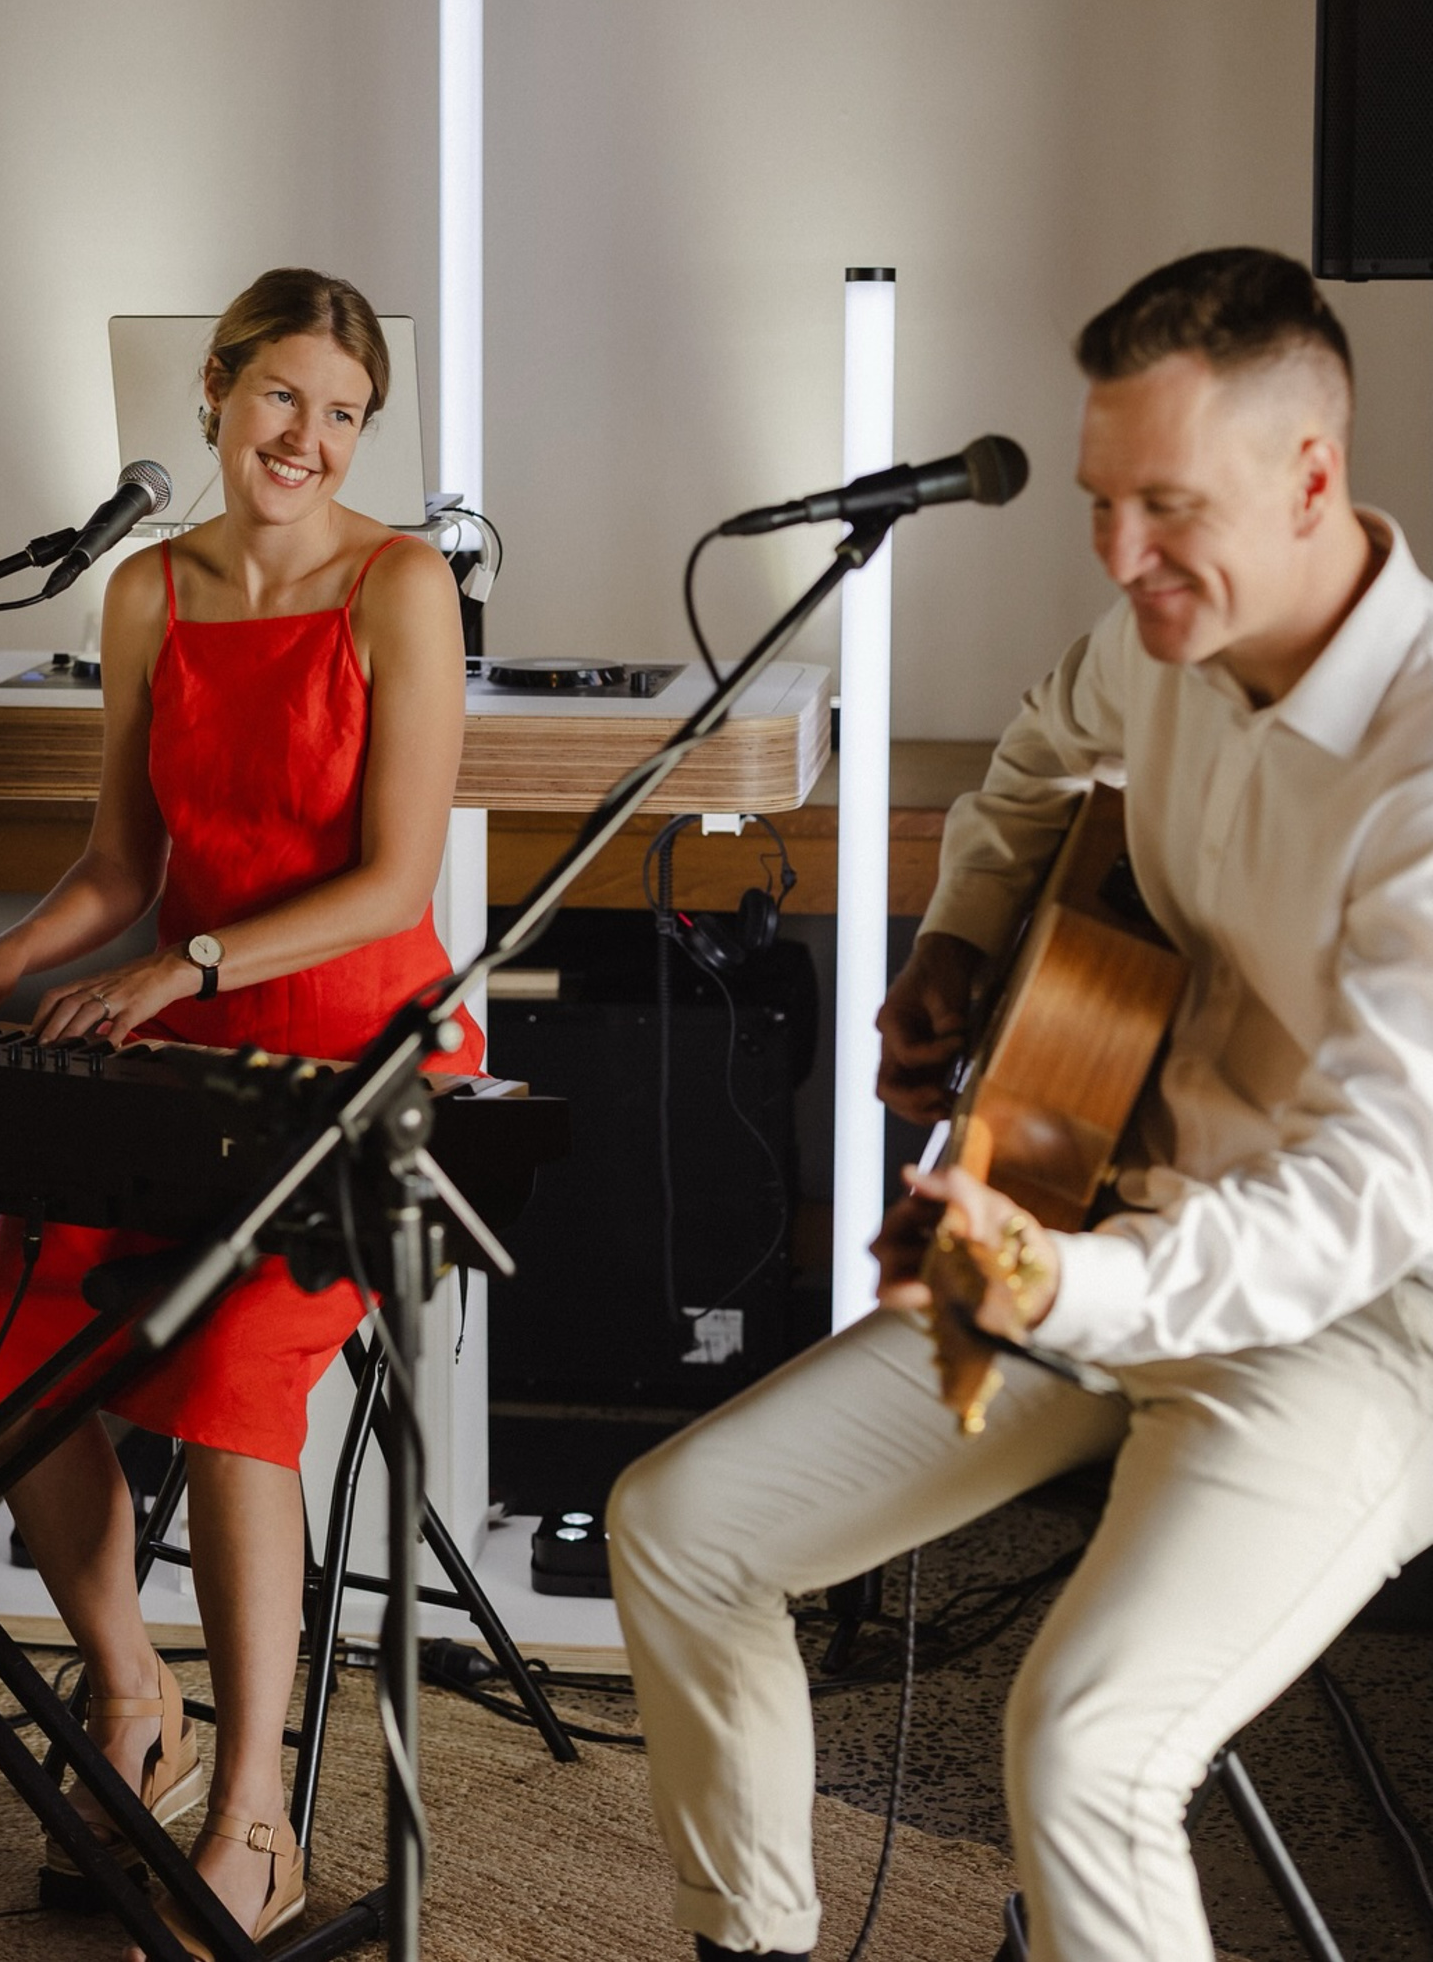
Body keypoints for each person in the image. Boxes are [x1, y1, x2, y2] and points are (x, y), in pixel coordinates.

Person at [607, 247, 1433, 1962]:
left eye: (1169, 507)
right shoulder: (1166, 643)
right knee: (679, 1533)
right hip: (1094, 1227)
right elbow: (1033, 762)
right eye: (1098, 503)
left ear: (1313, 477)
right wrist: (962, 945)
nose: (1125, 560)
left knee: (1082, 1746)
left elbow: (1368, 1193)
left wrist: (1069, 1282)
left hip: (1353, 1336)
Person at [0, 267, 482, 1958]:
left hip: (357, 1063)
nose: (308, 436)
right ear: (215, 393)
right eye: (282, 395)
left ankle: (253, 1821)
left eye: (344, 412)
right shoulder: (149, 592)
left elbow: (392, 886)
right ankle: (133, 1695)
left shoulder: (401, 584)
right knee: (9, 1332)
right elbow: (119, 870)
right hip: (190, 1043)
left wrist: (182, 967)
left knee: (226, 1380)